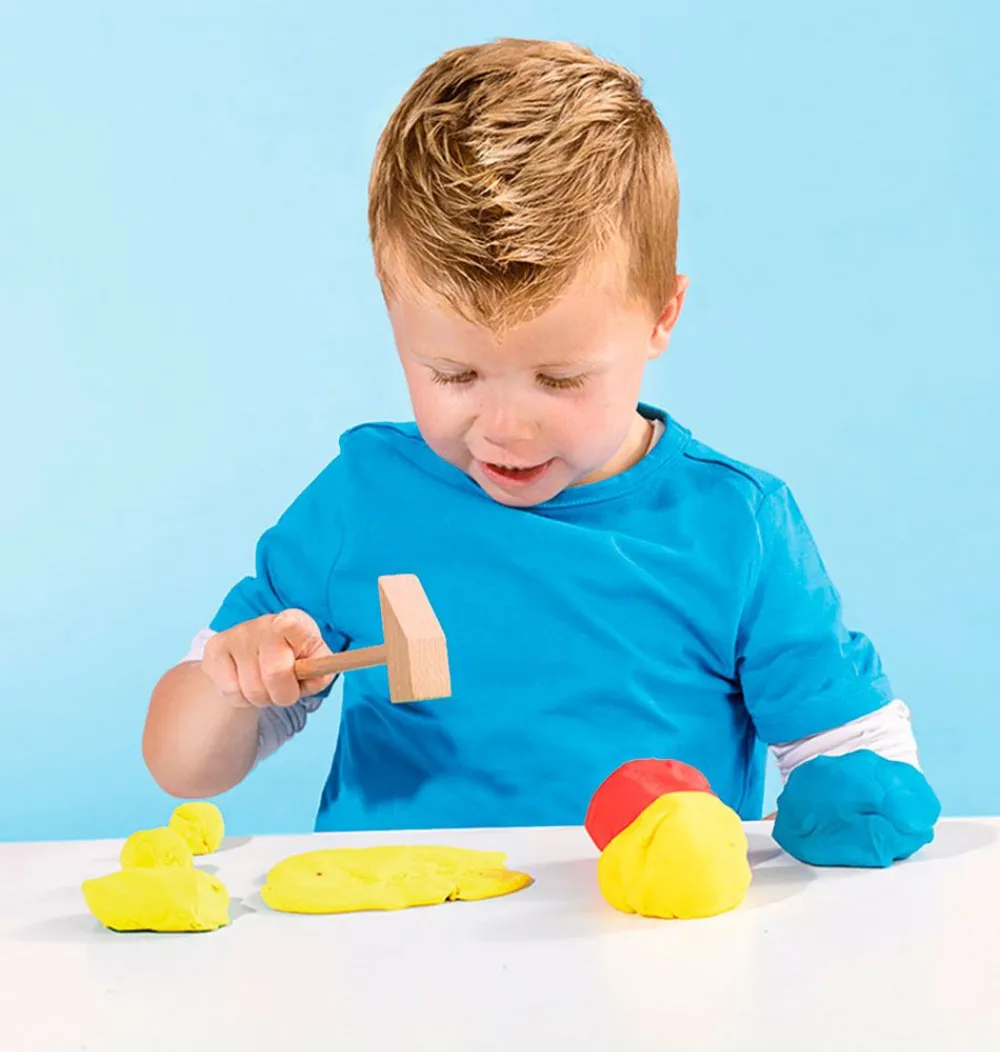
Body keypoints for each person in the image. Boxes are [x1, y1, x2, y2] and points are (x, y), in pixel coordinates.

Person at [142, 38, 939, 866]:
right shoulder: (363, 499)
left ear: (662, 317)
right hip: (392, 929)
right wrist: (235, 685)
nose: (504, 430)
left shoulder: (736, 527)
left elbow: (853, 748)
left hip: (640, 924)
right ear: (392, 313)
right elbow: (180, 764)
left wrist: (848, 792)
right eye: (453, 374)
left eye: (559, 379)